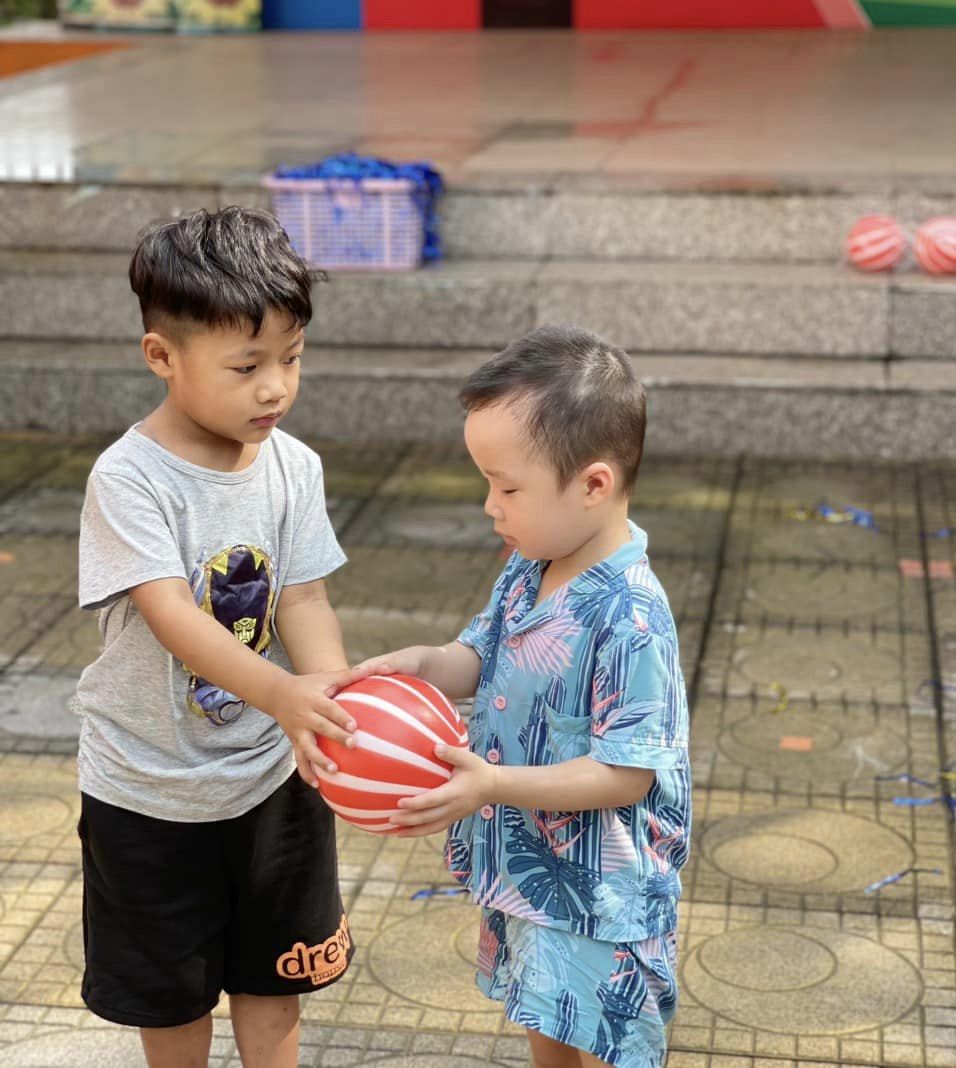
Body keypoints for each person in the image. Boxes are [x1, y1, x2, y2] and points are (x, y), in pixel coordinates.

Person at [348, 325, 691, 1068]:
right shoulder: (530, 565)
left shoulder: (631, 617)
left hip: (605, 902)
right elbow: (480, 654)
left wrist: (493, 784)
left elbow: (626, 774)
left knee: (608, 1049)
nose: (489, 506)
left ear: (594, 485)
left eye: (507, 488)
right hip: (530, 878)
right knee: (545, 1025)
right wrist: (424, 663)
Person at [75, 207, 359, 1068]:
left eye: (291, 358)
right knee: (172, 995)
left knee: (275, 979)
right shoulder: (129, 479)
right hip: (147, 792)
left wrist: (332, 702)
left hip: (271, 777)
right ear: (162, 356)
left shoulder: (293, 467)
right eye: (247, 366)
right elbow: (172, 616)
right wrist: (284, 694)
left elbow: (304, 597)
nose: (275, 387)